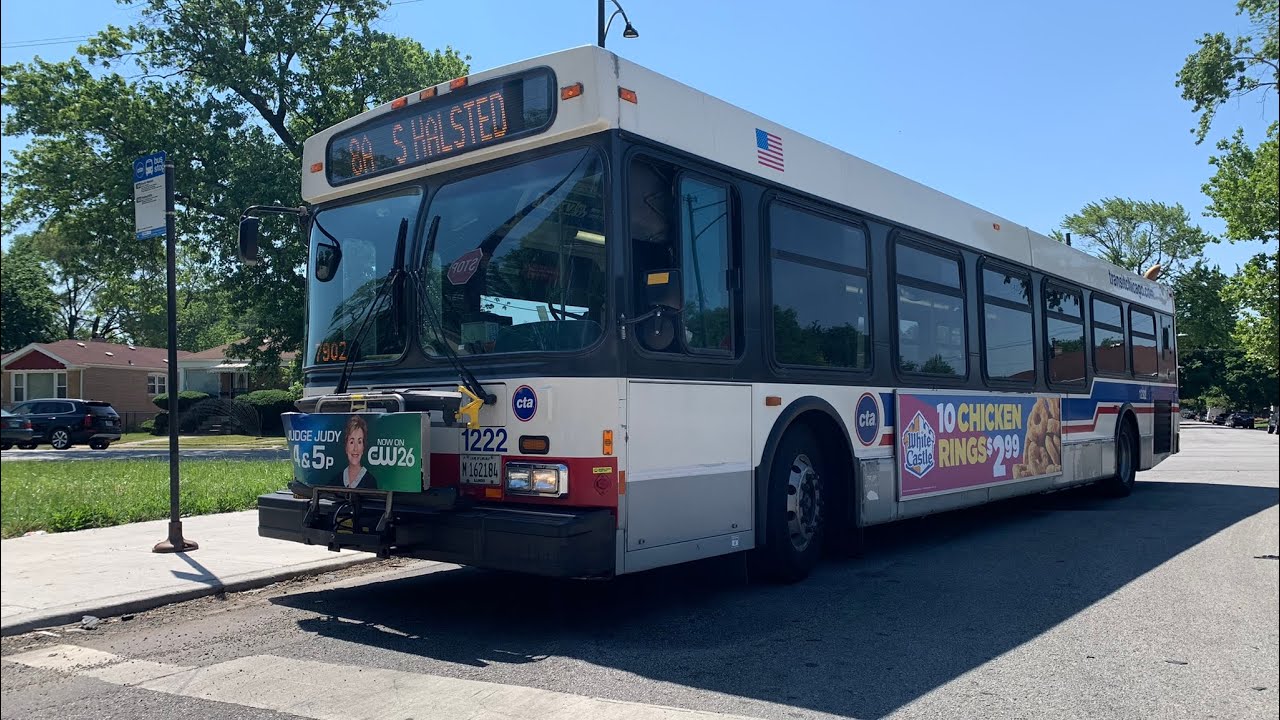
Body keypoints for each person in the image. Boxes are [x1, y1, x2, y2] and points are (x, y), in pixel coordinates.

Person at [334, 415, 377, 489]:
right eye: (351, 442)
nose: (355, 448)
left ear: (363, 447)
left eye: (359, 442)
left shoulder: (371, 481)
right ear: (346, 447)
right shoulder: (336, 480)